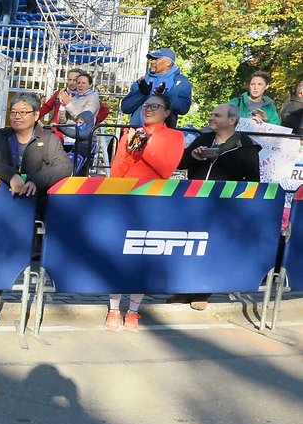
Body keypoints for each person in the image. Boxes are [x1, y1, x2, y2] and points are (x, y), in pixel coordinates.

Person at [0, 92, 73, 328]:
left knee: (32, 258)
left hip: (36, 211)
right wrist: (12, 176)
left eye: (23, 112)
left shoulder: (49, 138)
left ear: (36, 114)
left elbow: (64, 166)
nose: (17, 116)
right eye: (14, 112)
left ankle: (33, 303)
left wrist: (35, 181)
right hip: (1, 209)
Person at [106, 94, 185, 332]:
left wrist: (144, 147)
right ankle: (112, 309)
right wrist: (129, 150)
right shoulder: (130, 133)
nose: (149, 109)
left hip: (154, 201)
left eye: (155, 106)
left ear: (167, 112)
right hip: (125, 199)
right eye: (146, 105)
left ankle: (133, 310)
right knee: (120, 254)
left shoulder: (175, 136)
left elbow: (165, 170)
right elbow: (116, 172)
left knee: (141, 254)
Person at [173, 103, 261, 310]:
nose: (211, 118)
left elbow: (253, 181)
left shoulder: (246, 146)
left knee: (210, 248)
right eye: (211, 114)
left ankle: (202, 291)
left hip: (223, 208)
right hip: (194, 203)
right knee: (188, 246)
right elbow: (180, 164)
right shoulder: (203, 139)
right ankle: (183, 289)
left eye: (217, 115)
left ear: (232, 120)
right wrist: (193, 157)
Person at [120, 48, 192, 127]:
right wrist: (142, 94)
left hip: (163, 135)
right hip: (139, 134)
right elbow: (125, 108)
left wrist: (165, 96)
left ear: (168, 63)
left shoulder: (180, 81)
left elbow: (183, 109)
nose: (152, 62)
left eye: (156, 59)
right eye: (152, 59)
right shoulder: (144, 80)